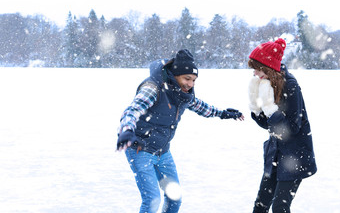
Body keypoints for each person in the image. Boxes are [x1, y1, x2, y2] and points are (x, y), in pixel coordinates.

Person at [116, 49, 244, 213]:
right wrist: (127, 130)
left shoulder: (182, 94)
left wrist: (222, 113)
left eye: (194, 80)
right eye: (187, 78)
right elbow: (132, 111)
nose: (191, 84)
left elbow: (200, 106)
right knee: (152, 201)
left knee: (174, 198)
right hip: (140, 149)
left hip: (163, 151)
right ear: (174, 75)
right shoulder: (153, 88)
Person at [247, 38, 317, 213]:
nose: (254, 73)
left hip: (294, 156)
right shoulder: (267, 84)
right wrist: (257, 109)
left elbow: (292, 128)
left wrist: (270, 111)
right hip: (276, 154)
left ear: (267, 67)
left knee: (280, 207)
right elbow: (270, 126)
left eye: (256, 68)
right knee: (260, 205)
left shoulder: (291, 86)